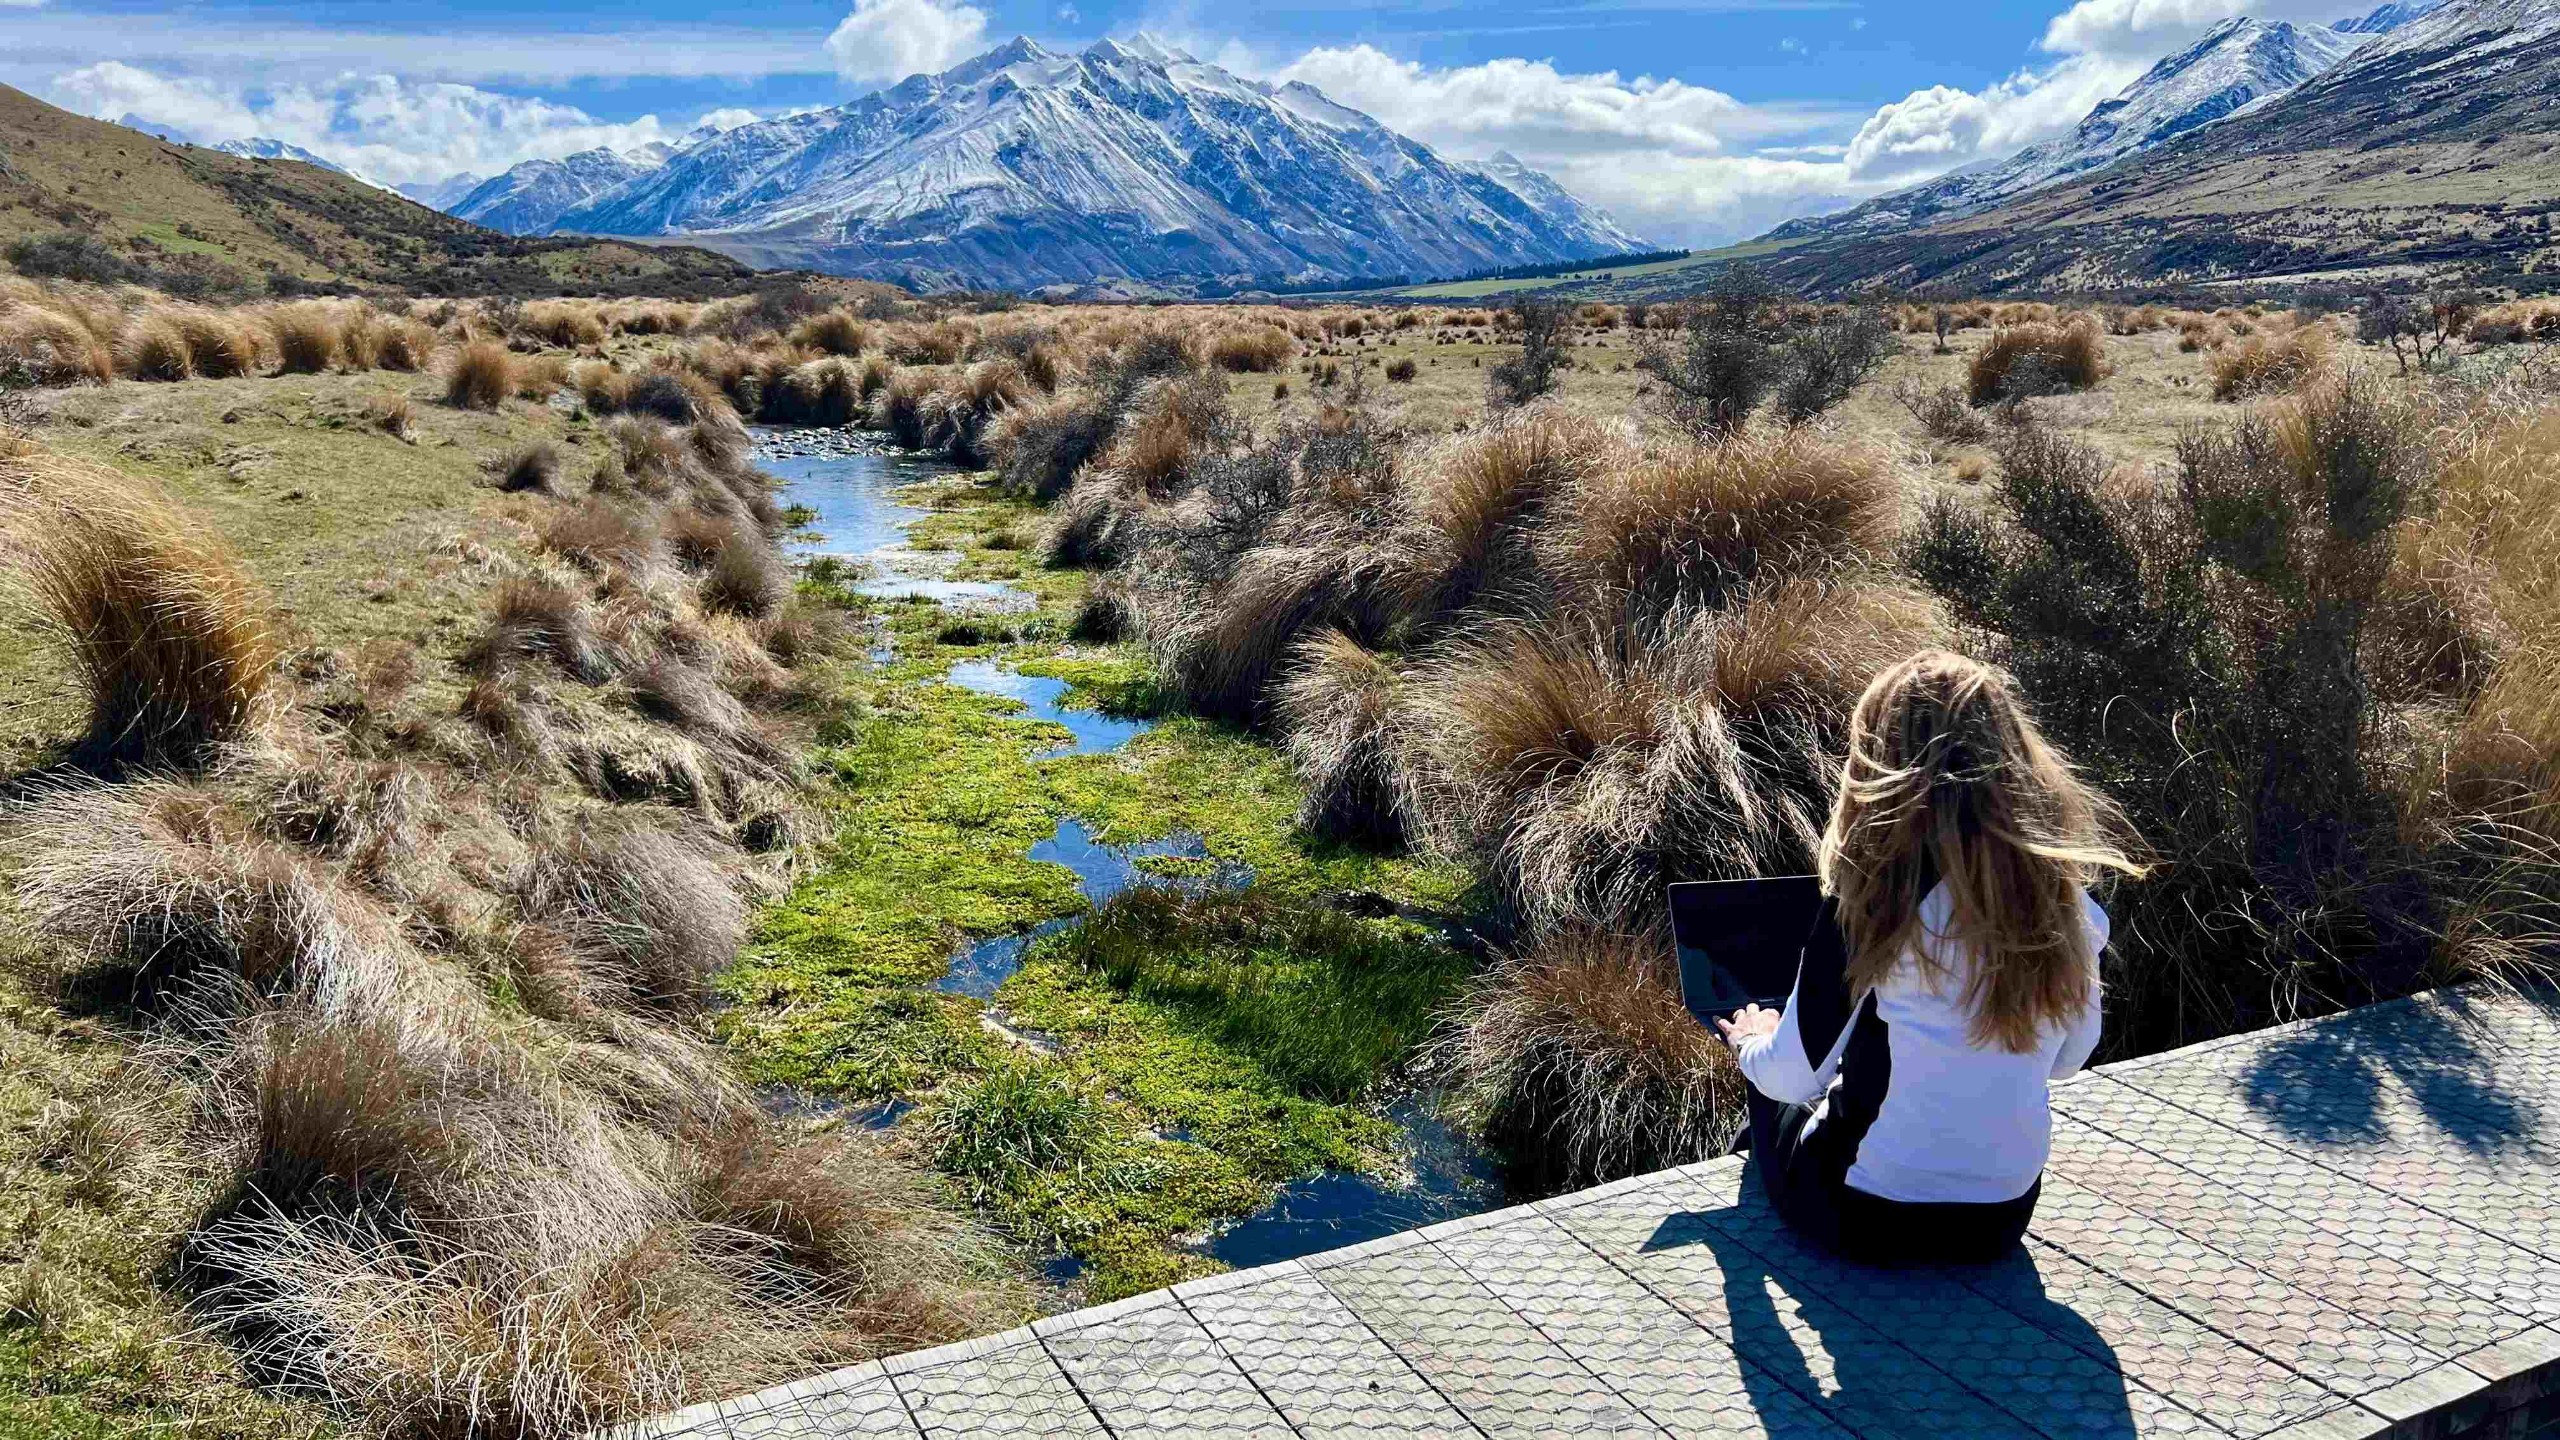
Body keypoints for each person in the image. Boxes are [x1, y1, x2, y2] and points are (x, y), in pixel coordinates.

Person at [1714, 650, 2143, 1266]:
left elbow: (1791, 1075)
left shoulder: (1873, 901)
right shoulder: (2067, 903)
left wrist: (1753, 1040)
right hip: (2001, 1220)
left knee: (1772, 1085)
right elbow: (2067, 1062)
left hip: (1862, 1216)